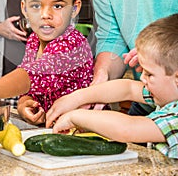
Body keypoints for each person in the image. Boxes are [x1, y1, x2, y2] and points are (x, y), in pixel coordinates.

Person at [46, 14, 178, 159]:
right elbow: (128, 88)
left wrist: (75, 117)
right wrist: (77, 97)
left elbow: (127, 129)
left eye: (149, 74)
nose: (141, 78)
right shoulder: (168, 93)